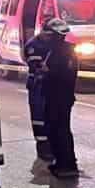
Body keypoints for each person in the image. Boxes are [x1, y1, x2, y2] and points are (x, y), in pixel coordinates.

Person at [39, 18, 80, 178]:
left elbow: (56, 75)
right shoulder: (68, 50)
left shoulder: (57, 53)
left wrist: (44, 72)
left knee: (56, 129)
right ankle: (66, 162)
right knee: (63, 129)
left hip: (55, 97)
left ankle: (65, 164)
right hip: (65, 97)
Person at [23, 27, 55, 161]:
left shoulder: (50, 42)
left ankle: (51, 145)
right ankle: (43, 148)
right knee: (38, 116)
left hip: (47, 83)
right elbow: (36, 65)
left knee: (49, 115)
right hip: (37, 83)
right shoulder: (33, 45)